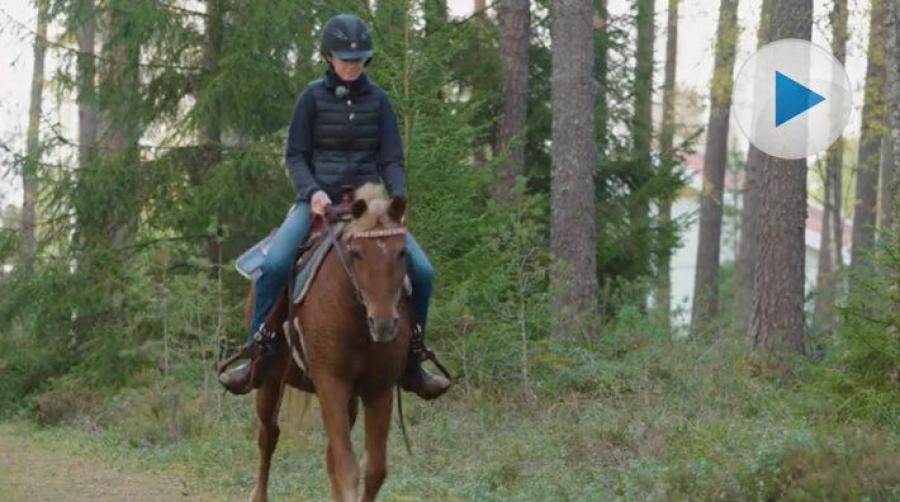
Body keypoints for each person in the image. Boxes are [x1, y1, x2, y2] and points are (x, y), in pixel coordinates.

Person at [218, 13, 450, 400]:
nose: (351, 66)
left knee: (423, 272)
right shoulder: (310, 98)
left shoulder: (378, 101)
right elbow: (295, 156)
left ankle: (414, 358)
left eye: (357, 60)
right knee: (275, 264)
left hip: (369, 207)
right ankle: (256, 351)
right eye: (344, 59)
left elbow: (391, 158)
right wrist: (312, 192)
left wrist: (396, 200)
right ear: (328, 57)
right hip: (316, 201)